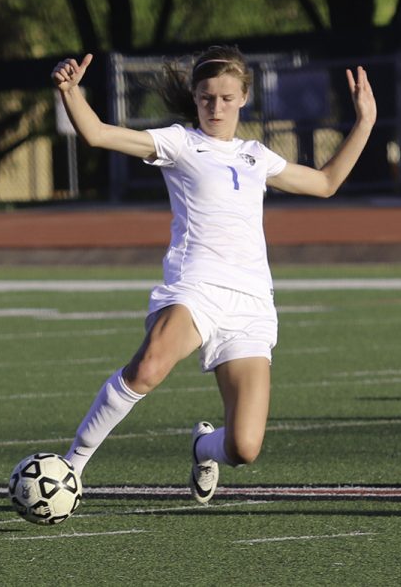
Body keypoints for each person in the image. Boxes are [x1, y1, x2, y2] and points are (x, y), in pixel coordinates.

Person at [50, 46, 376, 503]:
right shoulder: (180, 143)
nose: (216, 107)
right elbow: (98, 134)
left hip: (251, 306)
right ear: (195, 97)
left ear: (244, 97)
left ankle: (203, 446)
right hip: (195, 288)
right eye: (206, 98)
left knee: (243, 448)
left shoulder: (257, 156)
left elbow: (325, 183)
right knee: (148, 367)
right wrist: (71, 92)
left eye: (226, 98)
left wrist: (364, 122)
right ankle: (71, 467)